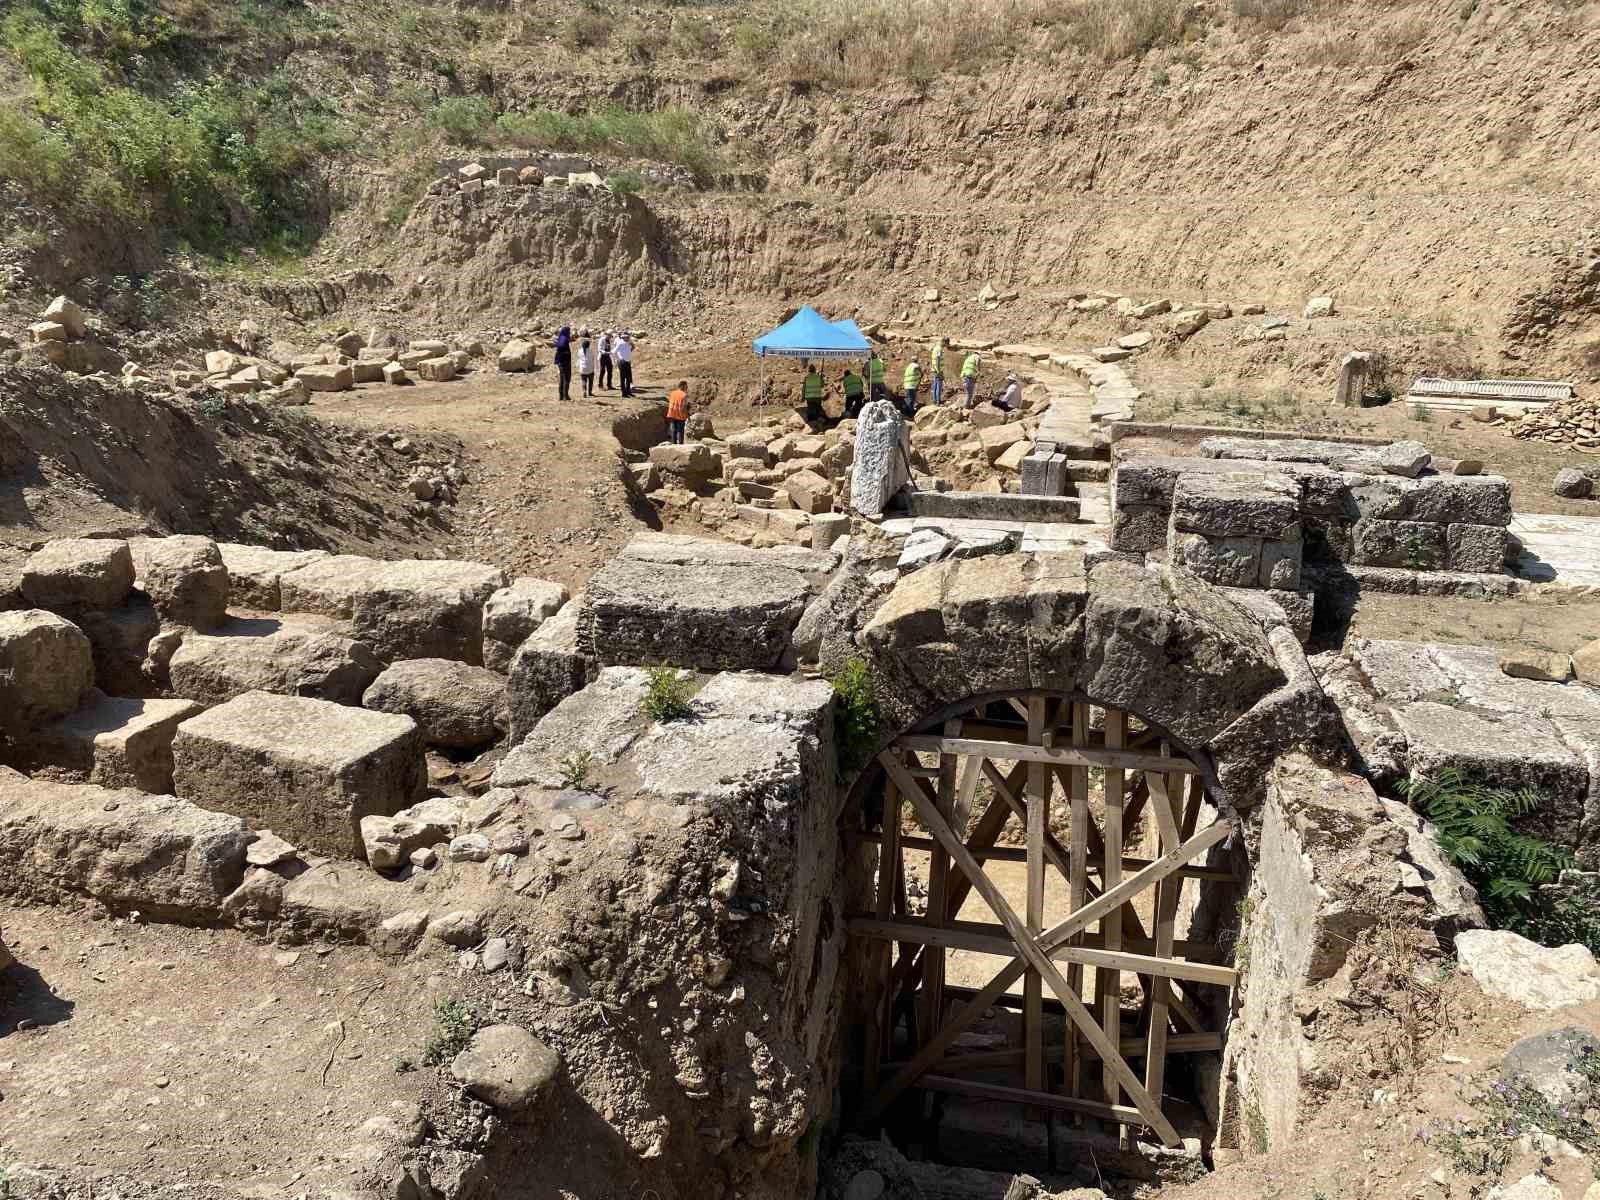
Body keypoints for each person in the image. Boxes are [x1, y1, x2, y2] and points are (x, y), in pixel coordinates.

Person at [552, 325, 573, 402]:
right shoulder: (564, 339)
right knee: (566, 378)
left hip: (561, 362)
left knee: (562, 379)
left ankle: (561, 396)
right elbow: (561, 346)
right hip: (564, 362)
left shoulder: (561, 338)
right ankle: (565, 396)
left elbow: (559, 345)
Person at [665, 380, 689, 444]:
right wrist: (687, 415)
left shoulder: (672, 393)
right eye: (686, 386)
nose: (687, 388)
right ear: (683, 386)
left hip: (672, 414)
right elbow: (684, 407)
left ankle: (673, 443)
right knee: (680, 431)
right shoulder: (684, 395)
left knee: (673, 430)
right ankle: (680, 445)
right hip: (680, 415)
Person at [930, 336, 949, 406]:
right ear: (944, 342)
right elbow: (938, 360)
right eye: (946, 344)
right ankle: (938, 402)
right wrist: (939, 372)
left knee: (935, 385)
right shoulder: (939, 349)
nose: (946, 345)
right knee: (939, 386)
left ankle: (935, 400)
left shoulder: (936, 348)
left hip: (934, 369)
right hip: (938, 370)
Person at [615, 331, 634, 397]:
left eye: (628, 337)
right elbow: (614, 351)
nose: (628, 338)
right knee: (623, 378)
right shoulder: (620, 343)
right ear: (624, 337)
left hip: (627, 361)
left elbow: (632, 348)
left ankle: (628, 391)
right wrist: (620, 357)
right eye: (627, 337)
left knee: (628, 377)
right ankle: (623, 393)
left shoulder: (628, 342)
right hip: (622, 362)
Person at [577, 332, 595, 397]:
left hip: (583, 369)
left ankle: (584, 391)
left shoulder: (580, 351)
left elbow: (578, 357)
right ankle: (590, 392)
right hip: (590, 368)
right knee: (590, 381)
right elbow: (593, 358)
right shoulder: (591, 351)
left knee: (583, 380)